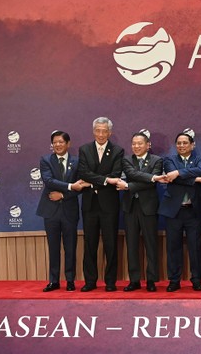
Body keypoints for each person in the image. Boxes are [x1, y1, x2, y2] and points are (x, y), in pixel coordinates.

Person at [36, 131, 89, 292]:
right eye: (55, 142)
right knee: (53, 248)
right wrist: (70, 186)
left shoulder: (77, 161)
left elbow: (81, 187)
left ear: (68, 144)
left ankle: (70, 280)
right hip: (50, 210)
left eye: (61, 142)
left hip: (69, 211)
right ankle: (54, 281)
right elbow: (49, 181)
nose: (57, 145)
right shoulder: (46, 160)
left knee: (70, 247)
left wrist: (64, 194)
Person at [114, 132, 167, 292]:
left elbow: (151, 183)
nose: (136, 146)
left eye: (140, 143)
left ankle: (151, 280)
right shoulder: (126, 160)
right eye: (134, 144)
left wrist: (129, 186)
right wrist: (151, 177)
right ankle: (134, 280)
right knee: (132, 244)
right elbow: (131, 174)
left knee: (151, 244)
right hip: (130, 206)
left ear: (148, 145)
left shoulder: (157, 160)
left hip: (149, 207)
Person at [158, 132, 201, 292]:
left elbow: (200, 170)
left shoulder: (200, 159)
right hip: (174, 210)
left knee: (195, 247)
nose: (181, 145)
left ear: (192, 145)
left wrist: (179, 173)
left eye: (185, 143)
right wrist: (194, 179)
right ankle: (174, 280)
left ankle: (196, 279)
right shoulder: (169, 160)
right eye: (178, 143)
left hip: (193, 210)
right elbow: (174, 178)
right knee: (173, 247)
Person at [78, 117, 124, 292]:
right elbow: (83, 172)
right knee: (90, 243)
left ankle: (110, 282)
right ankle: (90, 281)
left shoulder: (117, 151)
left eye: (105, 131)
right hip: (90, 204)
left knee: (110, 243)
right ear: (93, 131)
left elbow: (116, 173)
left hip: (109, 204)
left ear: (110, 132)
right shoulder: (85, 149)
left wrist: (91, 181)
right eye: (98, 130)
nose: (101, 134)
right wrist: (105, 180)